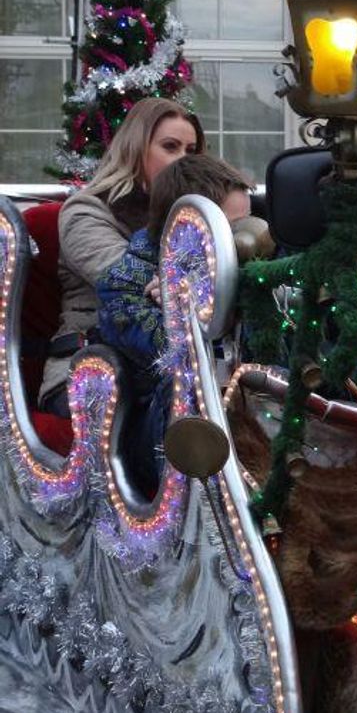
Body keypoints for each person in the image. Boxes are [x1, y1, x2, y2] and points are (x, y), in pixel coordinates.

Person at [96, 154, 252, 495]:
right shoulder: (124, 286)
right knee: (188, 384)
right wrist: (184, 304)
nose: (241, 243)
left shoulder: (258, 269)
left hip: (253, 421)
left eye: (245, 226)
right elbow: (168, 358)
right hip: (162, 439)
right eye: (228, 231)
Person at [41, 97, 204, 418]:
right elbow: (128, 283)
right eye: (170, 147)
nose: (183, 161)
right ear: (135, 150)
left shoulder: (194, 217)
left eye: (191, 151)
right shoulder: (86, 211)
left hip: (174, 369)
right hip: (92, 370)